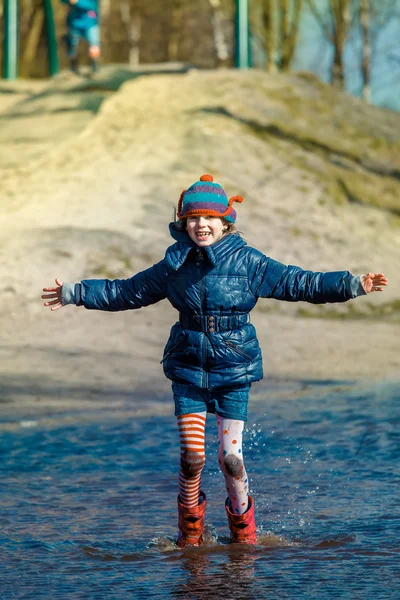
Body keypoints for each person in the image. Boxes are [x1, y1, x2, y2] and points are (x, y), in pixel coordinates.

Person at [42, 174, 388, 547]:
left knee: (230, 460)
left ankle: (244, 536)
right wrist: (77, 292)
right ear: (182, 223)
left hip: (233, 370)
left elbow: (298, 282)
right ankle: (190, 533)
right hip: (188, 368)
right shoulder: (174, 264)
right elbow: (128, 291)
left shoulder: (248, 261)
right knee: (192, 458)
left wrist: (351, 285)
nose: (200, 225)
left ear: (225, 221)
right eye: (193, 219)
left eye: (208, 218)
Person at [60, 0, 100, 74]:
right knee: (72, 45)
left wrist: (78, 2)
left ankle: (95, 66)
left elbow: (92, 5)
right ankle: (73, 67)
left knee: (94, 44)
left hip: (90, 23)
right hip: (74, 23)